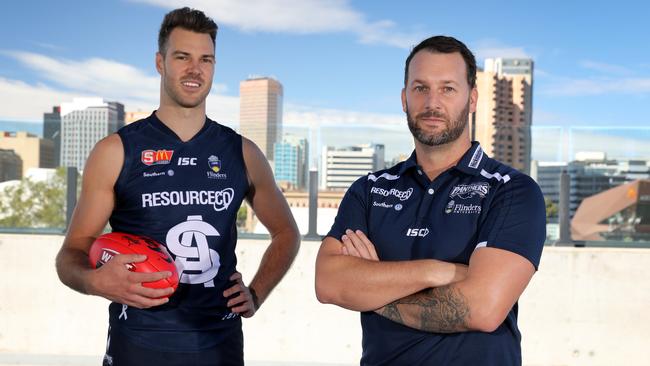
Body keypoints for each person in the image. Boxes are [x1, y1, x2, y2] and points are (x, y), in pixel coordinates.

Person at [56, 7, 300, 366]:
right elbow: (71, 254)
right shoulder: (116, 151)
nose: (194, 69)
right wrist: (95, 282)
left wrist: (257, 293)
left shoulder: (242, 152)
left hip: (219, 346)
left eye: (206, 59)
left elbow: (286, 233)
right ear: (160, 62)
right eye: (182, 57)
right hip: (137, 345)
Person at [315, 35, 545, 365]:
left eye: (448, 88)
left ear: (473, 99)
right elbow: (329, 282)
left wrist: (373, 290)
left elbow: (482, 308)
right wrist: (439, 272)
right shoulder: (370, 190)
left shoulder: (511, 191)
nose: (432, 102)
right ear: (404, 98)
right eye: (420, 88)